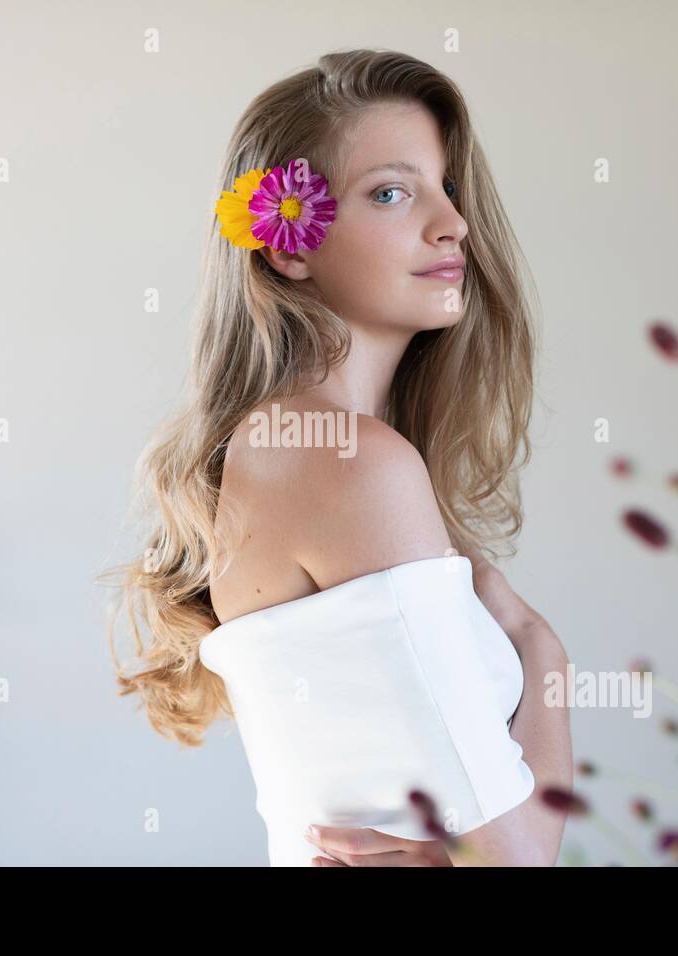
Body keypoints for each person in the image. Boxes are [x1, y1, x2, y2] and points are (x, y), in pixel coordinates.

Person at [103, 49, 573, 866]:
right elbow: (521, 857)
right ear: (288, 246)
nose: (451, 224)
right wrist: (540, 647)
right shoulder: (348, 460)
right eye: (392, 192)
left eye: (447, 189)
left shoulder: (304, 451)